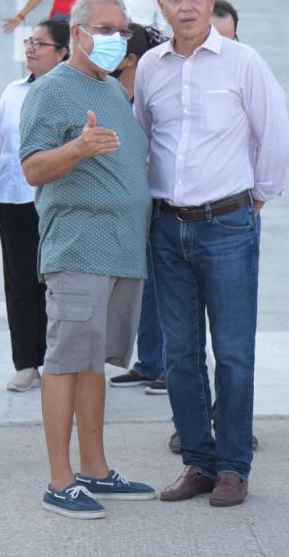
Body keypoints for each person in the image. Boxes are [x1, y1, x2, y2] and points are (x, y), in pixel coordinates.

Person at [135, 0, 289, 509]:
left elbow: (275, 133)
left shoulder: (243, 62)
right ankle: (198, 462)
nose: (186, 7)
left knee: (232, 353)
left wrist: (257, 196)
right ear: (161, 6)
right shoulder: (150, 67)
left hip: (227, 224)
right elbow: (144, 138)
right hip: (166, 227)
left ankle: (232, 467)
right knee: (179, 355)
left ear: (210, 0)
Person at [20, 0, 157, 518]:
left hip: (120, 252)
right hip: (79, 248)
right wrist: (78, 147)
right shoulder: (51, 90)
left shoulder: (112, 89)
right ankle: (60, 480)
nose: (115, 39)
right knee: (64, 363)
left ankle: (95, 469)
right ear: (76, 33)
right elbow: (32, 168)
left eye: (122, 31)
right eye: (104, 29)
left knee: (91, 364)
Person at [0, 19, 70, 392]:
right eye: (29, 42)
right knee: (20, 284)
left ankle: (59, 361)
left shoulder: (72, 93)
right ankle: (26, 363)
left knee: (59, 285)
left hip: (59, 203)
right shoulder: (13, 92)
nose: (30, 49)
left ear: (62, 53)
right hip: (14, 201)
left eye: (40, 43)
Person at [107, 24, 168, 395]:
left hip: (158, 197)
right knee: (143, 284)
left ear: (131, 59)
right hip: (128, 201)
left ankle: (167, 365)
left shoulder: (152, 93)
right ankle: (149, 361)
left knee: (164, 286)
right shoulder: (112, 92)